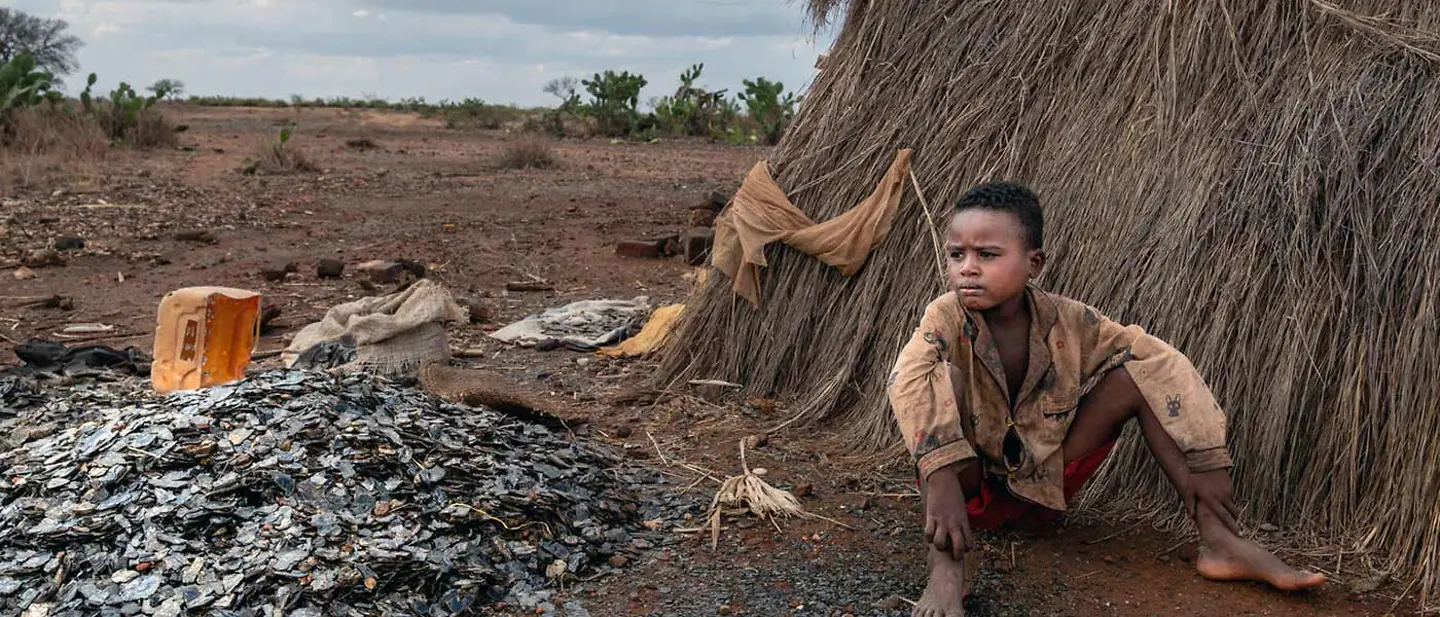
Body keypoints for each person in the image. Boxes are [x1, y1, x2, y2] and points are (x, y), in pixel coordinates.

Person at [887, 182, 1326, 617]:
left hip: (1043, 482)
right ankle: (945, 572)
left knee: (1138, 373)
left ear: (1034, 262)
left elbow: (1156, 357)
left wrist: (1206, 457)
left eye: (987, 255)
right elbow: (907, 378)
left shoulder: (1070, 320)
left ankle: (1221, 540)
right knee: (942, 377)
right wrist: (940, 473)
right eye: (956, 254)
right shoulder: (944, 315)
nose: (967, 268)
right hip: (965, 490)